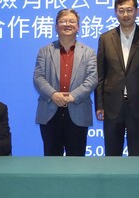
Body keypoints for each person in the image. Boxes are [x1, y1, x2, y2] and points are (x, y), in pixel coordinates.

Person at [94, 0, 139, 156]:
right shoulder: (105, 38)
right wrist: (99, 105)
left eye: (129, 10)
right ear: (115, 12)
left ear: (137, 11)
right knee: (112, 153)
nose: (125, 14)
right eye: (121, 10)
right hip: (112, 105)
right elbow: (100, 75)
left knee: (138, 153)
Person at [34, 9, 98, 156]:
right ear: (56, 26)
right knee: (51, 159)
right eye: (63, 21)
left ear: (78, 27)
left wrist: (73, 96)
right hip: (50, 111)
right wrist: (53, 94)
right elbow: (38, 77)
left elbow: (92, 78)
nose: (67, 24)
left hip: (78, 110)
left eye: (71, 21)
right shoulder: (45, 51)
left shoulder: (88, 52)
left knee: (76, 162)